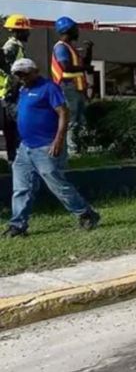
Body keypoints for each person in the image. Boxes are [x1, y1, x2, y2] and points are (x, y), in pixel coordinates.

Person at [3, 59, 100, 237]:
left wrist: (58, 141)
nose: (21, 77)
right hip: (25, 148)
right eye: (18, 75)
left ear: (35, 71)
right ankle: (18, 225)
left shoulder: (49, 88)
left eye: (24, 73)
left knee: (58, 186)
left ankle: (86, 213)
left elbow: (63, 112)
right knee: (21, 188)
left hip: (46, 147)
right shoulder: (23, 90)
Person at [50, 17, 92, 155]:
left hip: (76, 88)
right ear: (68, 30)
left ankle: (80, 149)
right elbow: (65, 67)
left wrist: (89, 51)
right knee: (72, 120)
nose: (77, 31)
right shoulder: (61, 47)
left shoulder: (70, 48)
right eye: (75, 28)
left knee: (81, 120)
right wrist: (85, 67)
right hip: (67, 87)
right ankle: (72, 151)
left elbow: (81, 63)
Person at [1, 14, 31, 162]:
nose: (29, 33)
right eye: (26, 30)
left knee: (13, 129)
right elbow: (7, 69)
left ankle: (15, 159)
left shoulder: (17, 47)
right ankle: (18, 160)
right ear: (17, 31)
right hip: (10, 93)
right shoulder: (11, 47)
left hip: (12, 92)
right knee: (18, 127)